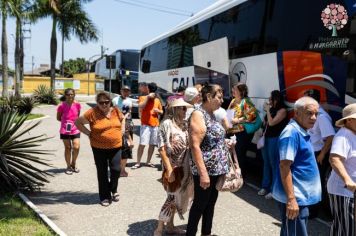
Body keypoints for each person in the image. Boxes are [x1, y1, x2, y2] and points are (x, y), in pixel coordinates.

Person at [272, 96, 321, 236]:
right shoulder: (291, 133)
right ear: (297, 113)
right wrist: (291, 200)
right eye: (309, 113)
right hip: (296, 197)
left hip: (301, 196)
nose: (314, 118)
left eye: (316, 114)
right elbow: (284, 166)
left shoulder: (301, 130)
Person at [186, 84, 229, 236]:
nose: (222, 101)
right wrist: (203, 173)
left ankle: (206, 233)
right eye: (219, 97)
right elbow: (195, 146)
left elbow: (211, 139)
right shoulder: (199, 114)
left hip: (215, 170)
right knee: (199, 205)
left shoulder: (211, 114)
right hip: (206, 170)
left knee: (210, 204)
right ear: (209, 97)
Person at [75, 91, 125, 206]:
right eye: (101, 102)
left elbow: (123, 119)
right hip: (98, 147)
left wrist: (122, 130)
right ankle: (105, 196)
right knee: (102, 172)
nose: (104, 105)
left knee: (116, 170)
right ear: (97, 103)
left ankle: (113, 189)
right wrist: (88, 133)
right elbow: (77, 122)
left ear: (110, 102)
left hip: (116, 146)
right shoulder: (92, 113)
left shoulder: (116, 111)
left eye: (106, 102)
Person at [154, 98, 194, 236]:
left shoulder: (184, 125)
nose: (185, 111)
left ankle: (170, 226)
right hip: (172, 168)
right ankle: (159, 228)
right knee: (171, 198)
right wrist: (169, 169)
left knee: (178, 198)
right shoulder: (166, 124)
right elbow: (162, 148)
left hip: (185, 169)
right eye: (183, 108)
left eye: (185, 108)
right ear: (175, 109)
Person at [304, 89, 335, 218]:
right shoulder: (314, 115)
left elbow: (330, 137)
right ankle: (313, 208)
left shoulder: (321, 117)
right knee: (312, 181)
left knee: (317, 183)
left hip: (319, 154)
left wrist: (322, 154)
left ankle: (315, 211)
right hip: (313, 152)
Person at [327, 103, 356, 236]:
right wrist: (347, 181)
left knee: (345, 228)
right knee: (346, 229)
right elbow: (334, 159)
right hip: (344, 190)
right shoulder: (343, 135)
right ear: (349, 120)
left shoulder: (353, 134)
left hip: (351, 191)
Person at [258, 90, 288, 199]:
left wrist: (267, 110)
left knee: (274, 163)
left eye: (271, 99)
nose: (269, 101)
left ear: (276, 99)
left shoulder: (282, 110)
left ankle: (274, 189)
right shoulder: (271, 109)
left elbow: (272, 122)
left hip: (275, 139)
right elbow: (266, 123)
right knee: (266, 162)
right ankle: (265, 186)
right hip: (266, 138)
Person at [227, 83, 257, 173]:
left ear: (242, 91)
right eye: (233, 89)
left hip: (242, 133)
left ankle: (240, 177)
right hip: (232, 131)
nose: (233, 91)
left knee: (239, 156)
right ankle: (233, 175)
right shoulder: (233, 101)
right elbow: (228, 113)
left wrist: (238, 120)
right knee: (232, 155)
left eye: (235, 90)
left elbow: (252, 117)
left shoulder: (246, 101)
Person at [132, 82, 163, 169]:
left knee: (152, 144)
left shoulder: (157, 100)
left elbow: (162, 111)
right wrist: (148, 98)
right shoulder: (143, 97)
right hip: (145, 125)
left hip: (155, 125)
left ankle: (148, 161)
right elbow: (140, 106)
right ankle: (138, 162)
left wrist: (158, 111)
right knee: (142, 143)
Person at [56, 88, 81, 175]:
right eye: (68, 94)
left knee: (76, 147)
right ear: (65, 95)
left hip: (75, 128)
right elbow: (58, 118)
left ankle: (73, 163)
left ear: (74, 95)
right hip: (65, 130)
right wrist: (66, 123)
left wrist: (73, 123)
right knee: (68, 148)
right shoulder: (61, 106)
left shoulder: (77, 105)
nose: (70, 96)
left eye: (72, 94)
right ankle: (68, 166)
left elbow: (78, 115)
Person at [112, 85, 134, 177]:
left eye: (127, 91)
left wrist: (125, 118)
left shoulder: (130, 101)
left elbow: (130, 111)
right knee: (118, 145)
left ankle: (122, 168)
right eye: (124, 90)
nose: (126, 92)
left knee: (127, 146)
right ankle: (118, 168)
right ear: (121, 91)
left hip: (128, 123)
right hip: (117, 123)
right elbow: (112, 111)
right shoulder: (115, 100)